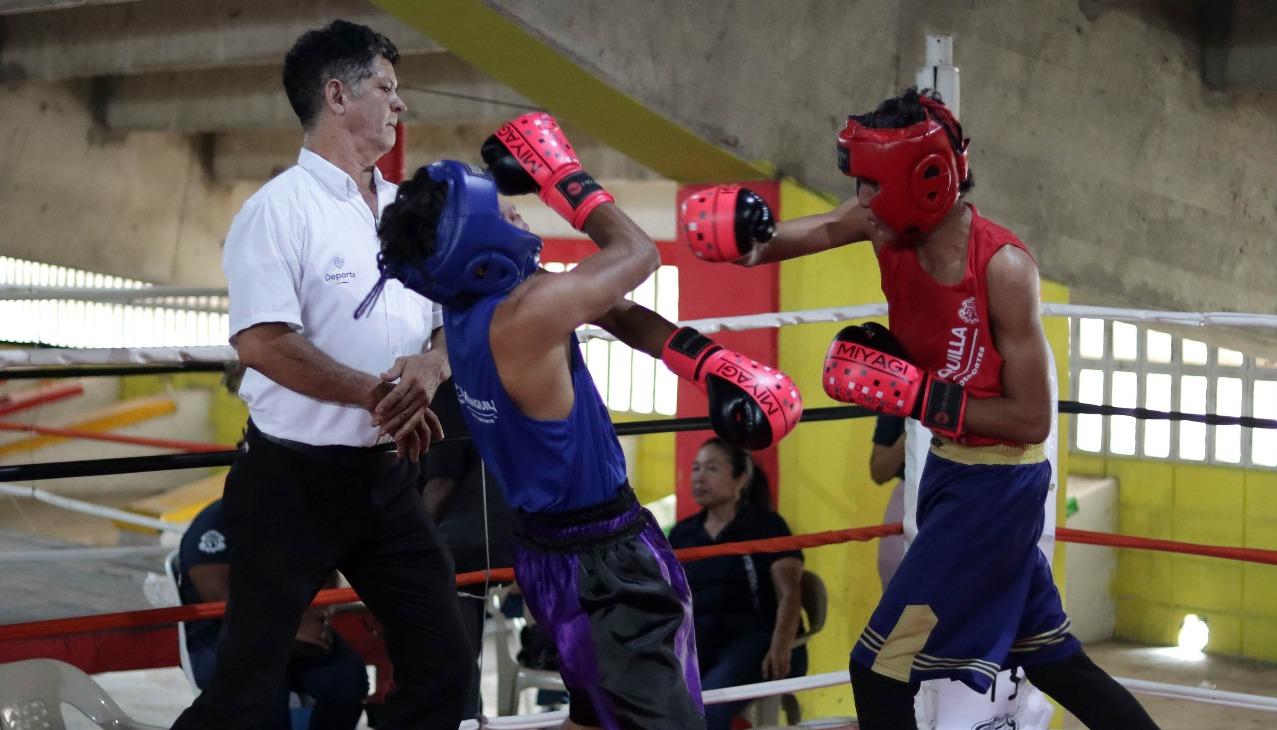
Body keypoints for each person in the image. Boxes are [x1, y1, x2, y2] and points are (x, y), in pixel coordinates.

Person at [680, 88, 1158, 729]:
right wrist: (744, 238)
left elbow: (1031, 420)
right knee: (1049, 654)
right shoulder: (882, 223)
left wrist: (921, 395)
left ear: (923, 180)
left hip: (996, 493)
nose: (863, 199)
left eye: (874, 184)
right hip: (950, 473)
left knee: (880, 666)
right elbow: (809, 233)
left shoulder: (1003, 268)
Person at [364, 111, 803, 729]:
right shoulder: (528, 313)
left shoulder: (476, 310)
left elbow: (613, 309)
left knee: (594, 719)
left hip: (552, 555)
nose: (515, 211)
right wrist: (563, 175)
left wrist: (708, 363)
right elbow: (638, 254)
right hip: (604, 566)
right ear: (478, 248)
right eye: (499, 211)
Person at [171, 20, 472, 730]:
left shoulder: (407, 210)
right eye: (386, 88)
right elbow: (263, 343)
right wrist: (377, 393)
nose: (400, 104)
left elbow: (449, 317)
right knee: (246, 692)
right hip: (291, 483)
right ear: (337, 96)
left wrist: (431, 366)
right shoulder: (277, 211)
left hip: (386, 480)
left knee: (446, 665)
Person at [178, 499, 369, 730]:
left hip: (294, 624)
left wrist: (319, 614)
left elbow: (327, 573)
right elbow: (220, 598)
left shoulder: (301, 514)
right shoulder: (216, 522)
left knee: (347, 677)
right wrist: (285, 629)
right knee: (263, 691)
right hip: (223, 633)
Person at [668, 437, 807, 730]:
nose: (699, 477)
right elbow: (670, 598)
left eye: (712, 468)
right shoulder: (683, 533)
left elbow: (790, 592)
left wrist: (781, 645)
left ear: (740, 479)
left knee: (708, 705)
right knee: (656, 696)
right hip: (702, 640)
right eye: (695, 468)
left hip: (758, 640)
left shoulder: (766, 526)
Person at [417, 376, 516, 717]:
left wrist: (417, 551)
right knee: (459, 658)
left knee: (449, 662)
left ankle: (461, 718)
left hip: (463, 546)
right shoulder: (492, 377)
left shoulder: (447, 388)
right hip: (502, 536)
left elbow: (440, 484)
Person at [870, 415, 907, 588]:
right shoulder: (901, 401)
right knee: (898, 583)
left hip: (962, 498)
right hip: (909, 497)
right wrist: (913, 432)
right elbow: (879, 472)